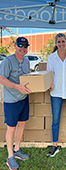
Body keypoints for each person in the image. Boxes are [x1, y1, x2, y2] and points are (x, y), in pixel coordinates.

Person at [0, 37, 31, 170]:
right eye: (20, 45)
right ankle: (10, 157)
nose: (23, 48)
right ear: (15, 46)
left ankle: (17, 150)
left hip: (23, 99)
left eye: (25, 46)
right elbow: (1, 78)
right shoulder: (8, 61)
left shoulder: (27, 61)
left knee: (22, 124)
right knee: (11, 128)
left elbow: (28, 77)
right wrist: (17, 86)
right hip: (11, 101)